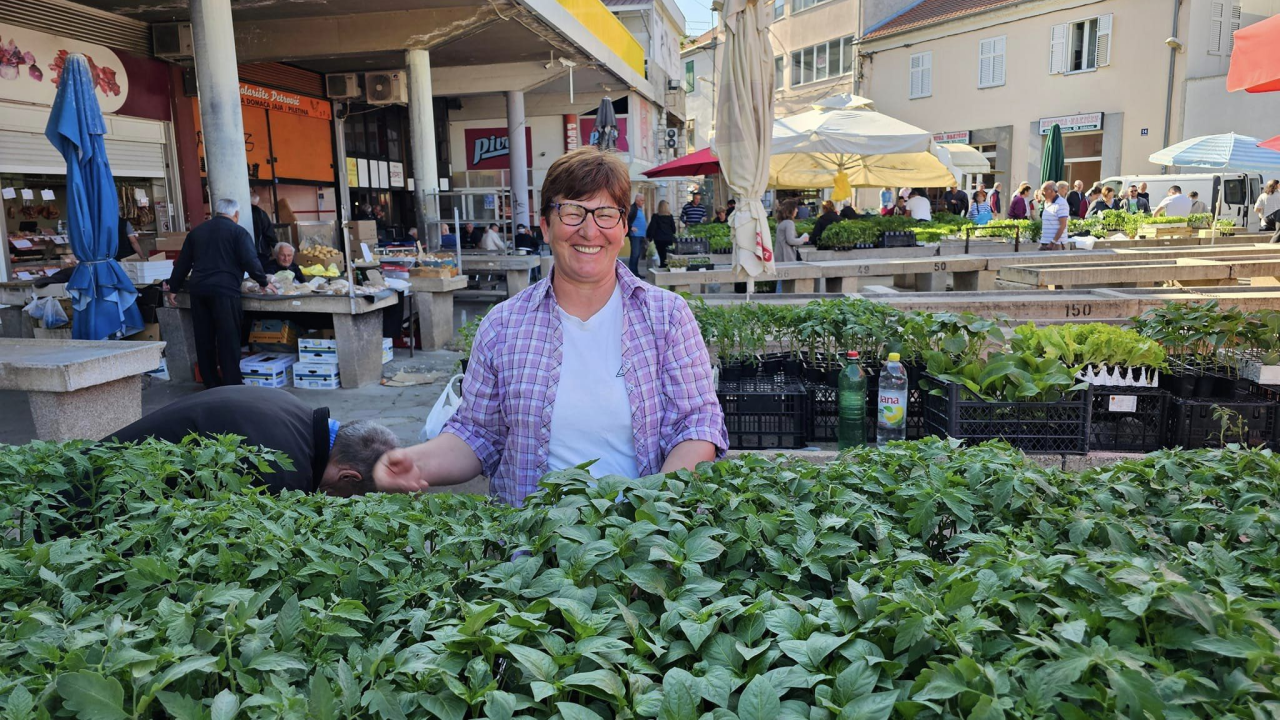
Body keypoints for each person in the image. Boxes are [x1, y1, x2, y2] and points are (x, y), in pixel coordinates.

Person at [373, 147, 728, 506]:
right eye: (572, 211)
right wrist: (416, 462)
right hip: (530, 550)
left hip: (635, 548)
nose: (589, 231)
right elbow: (477, 434)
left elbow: (696, 426)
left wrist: (652, 514)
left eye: (605, 214)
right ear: (545, 226)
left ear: (623, 228)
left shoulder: (666, 317)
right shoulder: (503, 326)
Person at [104, 386, 399, 496]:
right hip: (101, 485)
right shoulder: (283, 470)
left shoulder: (298, 414)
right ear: (347, 476)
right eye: (343, 496)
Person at [165, 198, 274, 388]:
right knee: (228, 337)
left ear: (217, 212)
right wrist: (263, 281)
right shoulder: (238, 233)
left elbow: (183, 263)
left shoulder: (197, 232)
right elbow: (250, 260)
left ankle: (211, 382)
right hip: (225, 291)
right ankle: (232, 383)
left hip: (199, 291)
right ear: (236, 215)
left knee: (204, 336)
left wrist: (173, 288)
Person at [773, 199, 809, 264]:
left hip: (779, 258)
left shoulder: (780, 223)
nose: (797, 210)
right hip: (787, 258)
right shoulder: (789, 223)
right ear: (791, 210)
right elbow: (791, 241)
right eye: (796, 208)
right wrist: (803, 239)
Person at [646, 199, 677, 268]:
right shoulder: (670, 217)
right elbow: (674, 229)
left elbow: (652, 228)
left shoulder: (655, 216)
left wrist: (649, 237)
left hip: (658, 239)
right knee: (667, 254)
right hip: (668, 239)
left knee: (661, 255)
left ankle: (662, 266)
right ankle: (666, 266)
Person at [1039, 181, 1070, 250]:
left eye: (1044, 191)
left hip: (1056, 244)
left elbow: (1063, 225)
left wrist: (1053, 242)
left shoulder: (1061, 203)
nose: (1042, 193)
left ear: (1051, 191)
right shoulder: (1046, 203)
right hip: (1044, 242)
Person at [250, 192, 277, 263]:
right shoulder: (261, 213)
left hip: (247, 250)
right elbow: (269, 232)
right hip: (261, 251)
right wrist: (277, 247)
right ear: (257, 202)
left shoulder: (240, 212)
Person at [626, 194, 648, 275]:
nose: (643, 202)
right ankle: (632, 273)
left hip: (640, 235)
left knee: (638, 254)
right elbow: (625, 219)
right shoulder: (632, 208)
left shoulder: (639, 209)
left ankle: (635, 273)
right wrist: (631, 227)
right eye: (642, 200)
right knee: (635, 254)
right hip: (635, 235)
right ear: (637, 200)